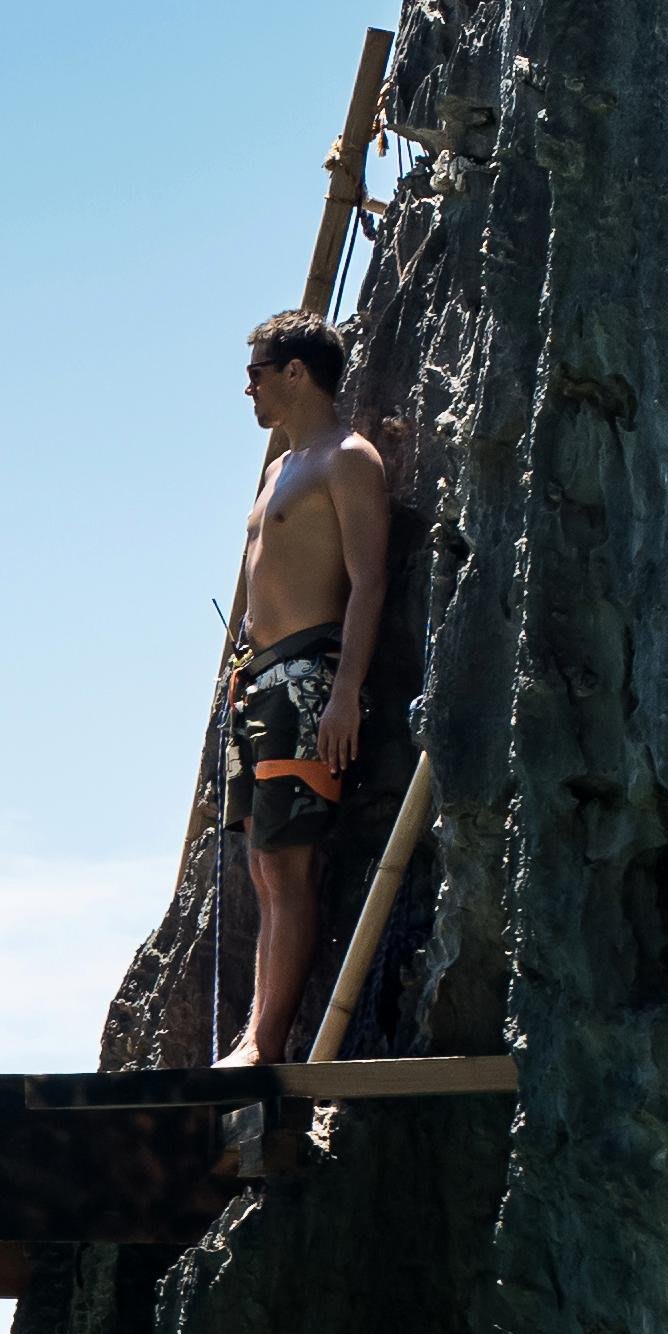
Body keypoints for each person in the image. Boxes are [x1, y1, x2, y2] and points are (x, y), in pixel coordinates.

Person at [216, 312, 394, 1066]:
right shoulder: (276, 469)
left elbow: (369, 580)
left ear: (296, 372)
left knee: (288, 864)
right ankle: (255, 1034)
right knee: (262, 863)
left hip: (307, 676)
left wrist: (346, 689)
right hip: (256, 683)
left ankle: (265, 1042)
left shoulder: (346, 459)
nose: (247, 387)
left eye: (258, 371)